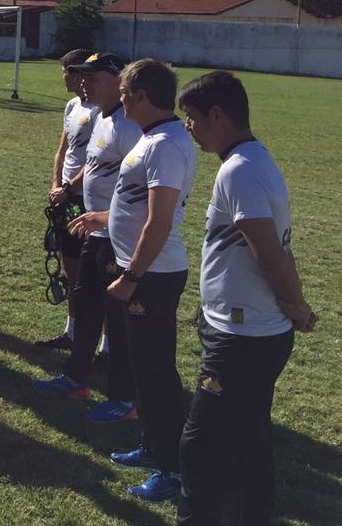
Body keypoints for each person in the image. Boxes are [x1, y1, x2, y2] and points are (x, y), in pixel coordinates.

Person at [176, 71, 316, 525]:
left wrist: (296, 306)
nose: (188, 128)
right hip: (239, 328)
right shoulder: (249, 162)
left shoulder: (240, 170)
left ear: (218, 115)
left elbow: (272, 255)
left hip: (243, 338)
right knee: (251, 440)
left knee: (199, 449)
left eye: (192, 118)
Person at [75, 59, 197, 501]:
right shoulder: (153, 139)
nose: (120, 100)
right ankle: (154, 445)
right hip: (144, 269)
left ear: (142, 95)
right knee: (145, 369)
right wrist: (103, 217)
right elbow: (138, 206)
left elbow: (160, 221)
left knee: (157, 371)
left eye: (125, 93)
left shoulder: (165, 144)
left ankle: (173, 470)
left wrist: (130, 275)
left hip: (152, 274)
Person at [36, 52, 140, 419]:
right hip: (94, 231)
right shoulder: (103, 119)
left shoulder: (130, 127)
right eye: (83, 77)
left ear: (117, 82)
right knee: (86, 302)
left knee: (119, 314)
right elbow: (92, 166)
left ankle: (125, 400)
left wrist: (109, 219)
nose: (86, 83)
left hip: (118, 237)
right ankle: (76, 379)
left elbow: (143, 191)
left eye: (94, 78)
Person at [36, 48, 97, 349]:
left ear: (76, 73)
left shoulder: (102, 111)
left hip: (90, 199)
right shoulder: (72, 105)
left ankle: (106, 347)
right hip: (65, 196)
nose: (64, 77)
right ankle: (71, 332)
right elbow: (63, 149)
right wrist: (55, 183)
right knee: (70, 266)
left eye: (64, 71)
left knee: (97, 276)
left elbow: (99, 157)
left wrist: (70, 187)